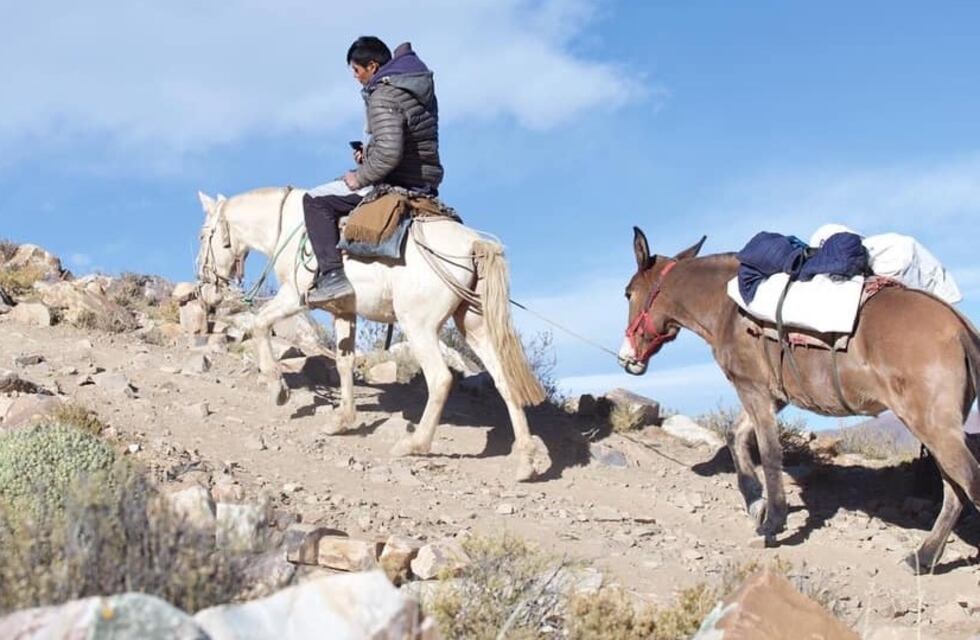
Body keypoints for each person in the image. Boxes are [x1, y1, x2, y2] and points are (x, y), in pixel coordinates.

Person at [303, 36, 444, 306]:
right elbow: (404, 142)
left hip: (398, 182)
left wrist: (360, 177)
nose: (356, 77)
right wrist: (367, 155)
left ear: (373, 66)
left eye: (357, 70)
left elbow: (390, 152)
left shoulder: (383, 94)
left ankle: (332, 277)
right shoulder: (413, 86)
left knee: (314, 200)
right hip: (423, 177)